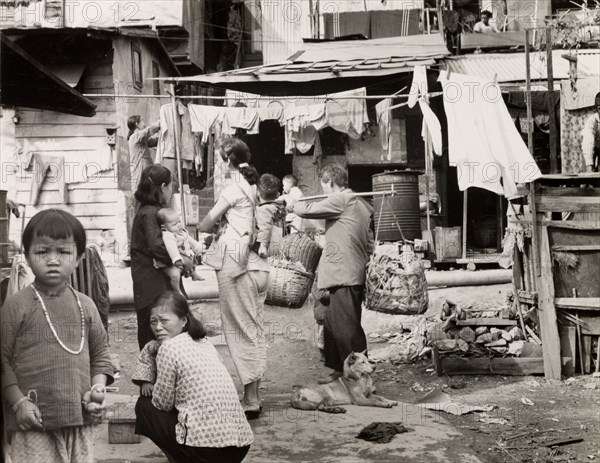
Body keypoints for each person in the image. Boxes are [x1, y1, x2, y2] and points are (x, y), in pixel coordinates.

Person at [1, 209, 114, 463]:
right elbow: (2, 360)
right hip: (33, 422)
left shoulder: (86, 305)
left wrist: (97, 390)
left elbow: (100, 357)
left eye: (63, 252)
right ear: (28, 257)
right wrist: (19, 403)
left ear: (79, 257)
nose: (53, 260)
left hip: (79, 420)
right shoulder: (17, 305)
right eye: (42, 252)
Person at [135, 292, 253, 463]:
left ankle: (179, 459)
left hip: (205, 451)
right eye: (154, 322)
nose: (158, 327)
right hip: (240, 446)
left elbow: (163, 403)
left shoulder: (168, 347)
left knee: (145, 405)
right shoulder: (205, 342)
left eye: (164, 320)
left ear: (183, 321)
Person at [198, 138, 269, 418]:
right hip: (256, 264)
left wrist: (189, 229)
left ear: (226, 161)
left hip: (235, 263)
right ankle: (253, 394)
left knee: (239, 329)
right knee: (252, 327)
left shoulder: (232, 187)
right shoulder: (252, 186)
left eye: (218, 159)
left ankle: (250, 400)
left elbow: (206, 222)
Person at [290, 164, 374, 384]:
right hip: (344, 272)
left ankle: (360, 375)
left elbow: (304, 210)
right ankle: (339, 369)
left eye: (324, 187)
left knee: (347, 328)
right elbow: (369, 243)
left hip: (345, 274)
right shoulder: (362, 204)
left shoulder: (341, 199)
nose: (324, 191)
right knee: (332, 324)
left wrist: (292, 203)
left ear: (331, 183)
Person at [131, 164, 188, 350]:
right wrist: (180, 257)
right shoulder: (151, 213)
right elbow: (158, 246)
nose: (171, 191)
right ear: (163, 187)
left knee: (160, 336)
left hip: (152, 282)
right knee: (156, 338)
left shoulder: (149, 211)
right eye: (171, 186)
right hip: (152, 285)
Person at [154, 207, 205, 294]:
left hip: (184, 255)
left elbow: (190, 240)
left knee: (192, 260)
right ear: (164, 227)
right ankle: (177, 290)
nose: (178, 225)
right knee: (175, 275)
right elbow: (171, 248)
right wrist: (176, 259)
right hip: (173, 261)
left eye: (179, 221)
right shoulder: (168, 235)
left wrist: (198, 247)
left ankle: (193, 274)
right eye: (174, 224)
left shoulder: (181, 231)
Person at [254, 173, 286, 258]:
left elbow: (265, 227)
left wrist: (263, 245)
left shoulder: (264, 209)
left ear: (258, 192)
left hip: (266, 246)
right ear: (277, 194)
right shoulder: (277, 206)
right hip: (277, 244)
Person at [127, 115, 161, 191]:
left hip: (144, 171)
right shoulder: (135, 136)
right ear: (137, 124)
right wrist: (160, 122)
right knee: (144, 194)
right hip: (141, 171)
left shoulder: (141, 140)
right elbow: (148, 131)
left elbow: (155, 141)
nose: (144, 123)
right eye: (142, 121)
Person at [582, 92, 600, 172]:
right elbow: (588, 144)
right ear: (597, 109)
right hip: (592, 149)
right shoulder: (592, 121)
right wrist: (589, 166)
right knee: (588, 177)